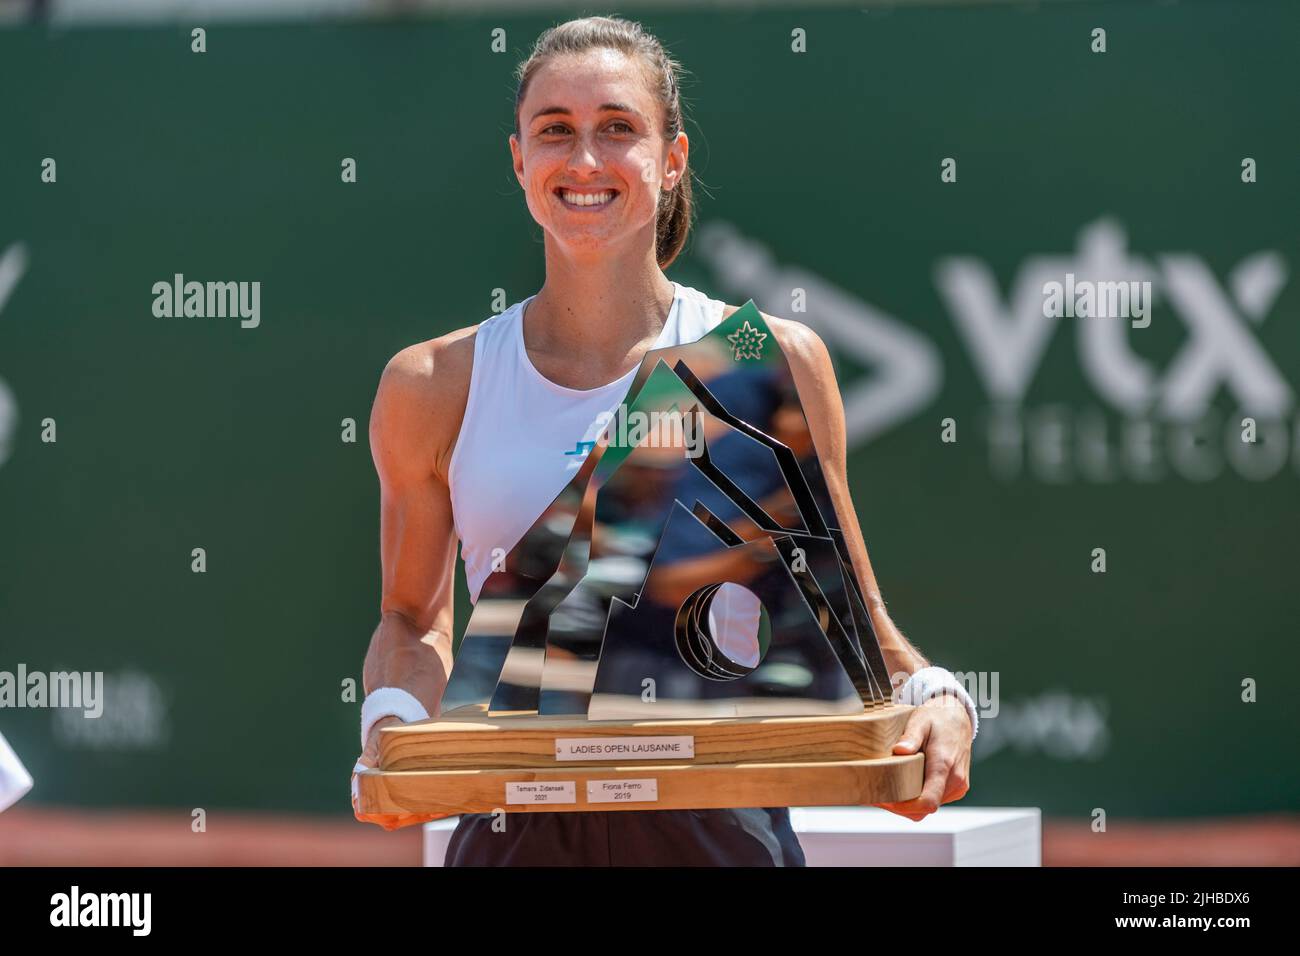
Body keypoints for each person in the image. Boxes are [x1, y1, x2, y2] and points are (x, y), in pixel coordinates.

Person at [352, 15, 974, 865]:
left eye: (618, 129)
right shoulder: (430, 386)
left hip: (722, 830)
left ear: (671, 158)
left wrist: (938, 697)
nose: (584, 161)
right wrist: (393, 726)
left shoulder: (769, 364)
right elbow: (410, 619)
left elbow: (852, 614)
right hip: (510, 830)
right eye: (555, 133)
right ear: (520, 162)